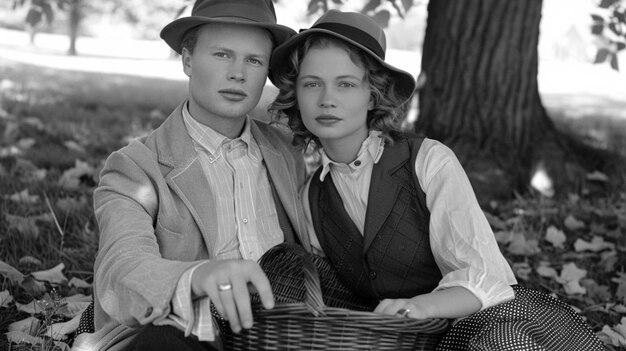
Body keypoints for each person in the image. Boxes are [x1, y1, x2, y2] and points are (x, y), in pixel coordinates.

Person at [268, 9, 605, 350]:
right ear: (295, 92)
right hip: (398, 336)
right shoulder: (312, 195)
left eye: (346, 84)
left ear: (372, 95)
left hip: (475, 321)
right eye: (312, 84)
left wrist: (422, 306)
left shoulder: (428, 161)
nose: (327, 99)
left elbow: (485, 277)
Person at [72, 1, 310, 350]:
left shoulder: (287, 152)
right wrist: (195, 275)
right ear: (187, 60)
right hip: (192, 329)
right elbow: (121, 264)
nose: (238, 73)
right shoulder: (136, 167)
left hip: (281, 329)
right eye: (222, 55)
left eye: (254, 60)